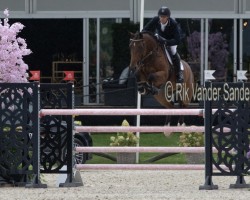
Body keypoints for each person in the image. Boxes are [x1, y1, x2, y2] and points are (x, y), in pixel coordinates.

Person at [142, 6, 184, 83]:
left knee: (173, 52)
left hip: (171, 41)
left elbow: (177, 40)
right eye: (160, 16)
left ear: (167, 17)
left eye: (164, 17)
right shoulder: (155, 20)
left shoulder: (174, 24)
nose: (161, 19)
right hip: (159, 39)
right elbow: (145, 30)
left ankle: (179, 73)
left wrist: (166, 42)